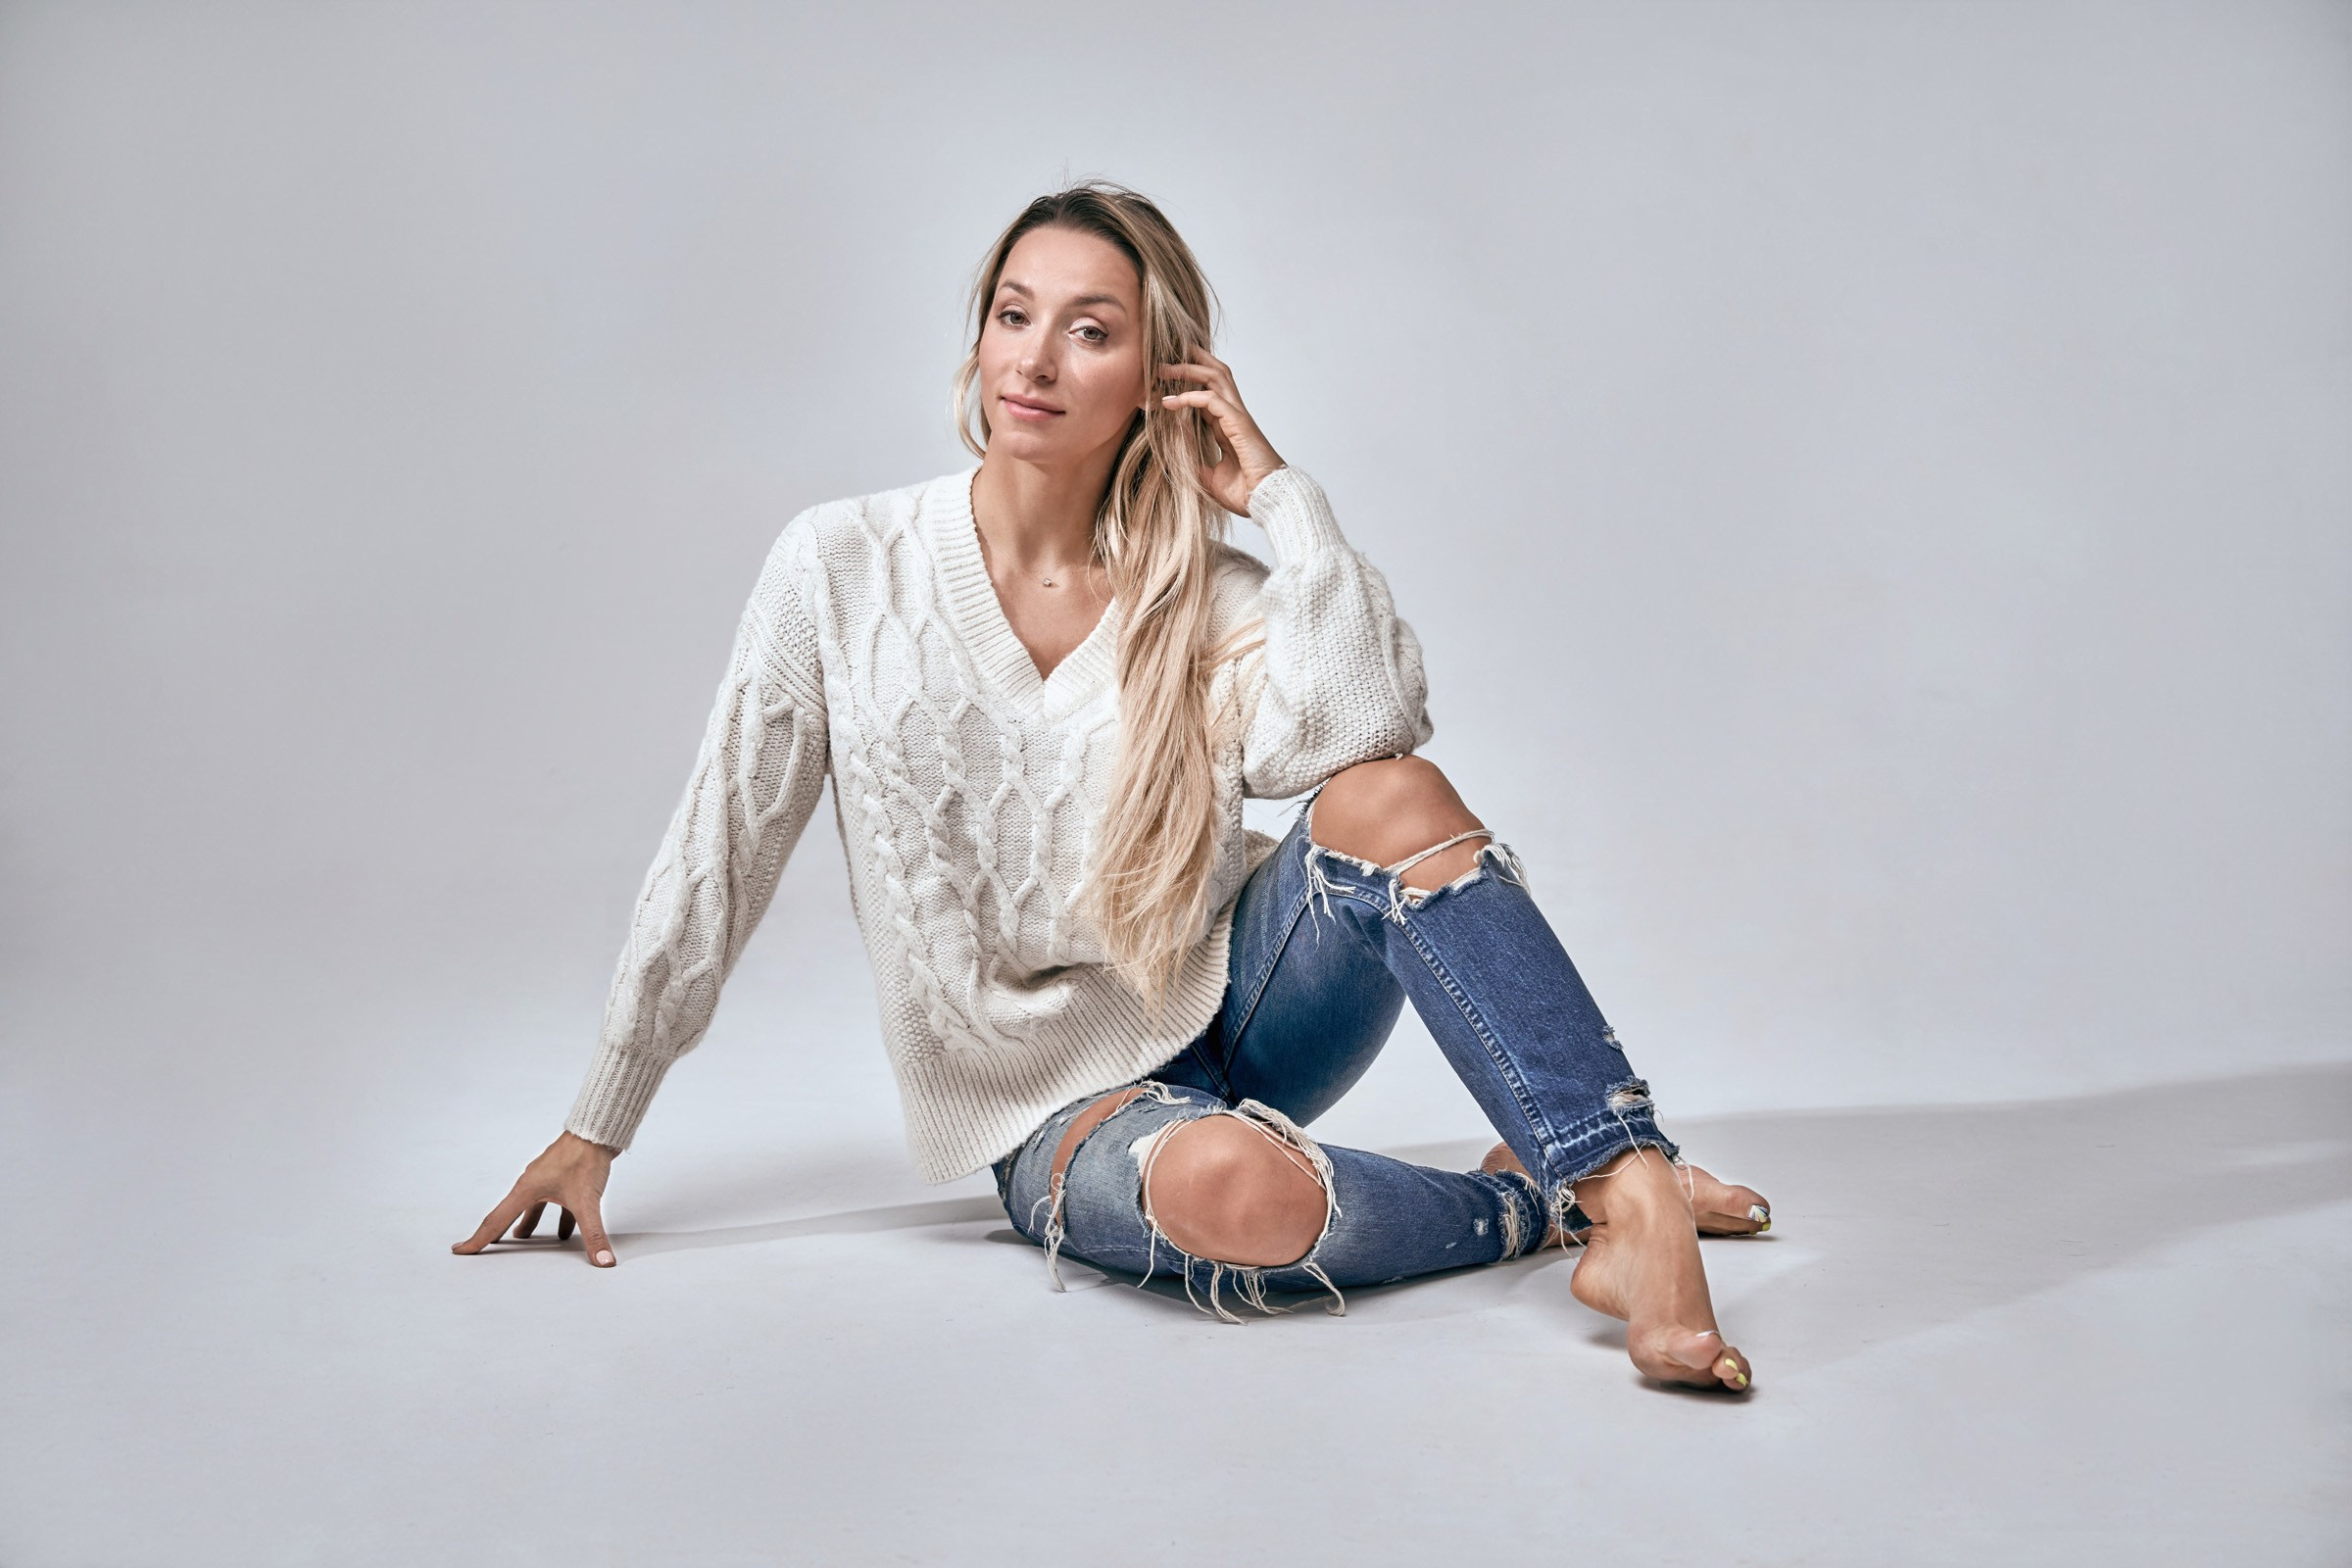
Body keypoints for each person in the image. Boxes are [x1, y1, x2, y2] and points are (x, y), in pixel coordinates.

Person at [454, 180, 1769, 1393]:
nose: (1032, 359)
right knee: (1232, 1199)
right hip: (1051, 1110)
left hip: (1239, 1011)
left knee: (1395, 798)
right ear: (977, 340)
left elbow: (1366, 730)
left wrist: (1279, 501)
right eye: (1013, 316)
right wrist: (599, 1122)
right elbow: (723, 843)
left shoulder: (1205, 589)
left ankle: (1632, 1196)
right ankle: (1542, 1206)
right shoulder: (840, 568)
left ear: (1159, 377)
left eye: (1089, 331)